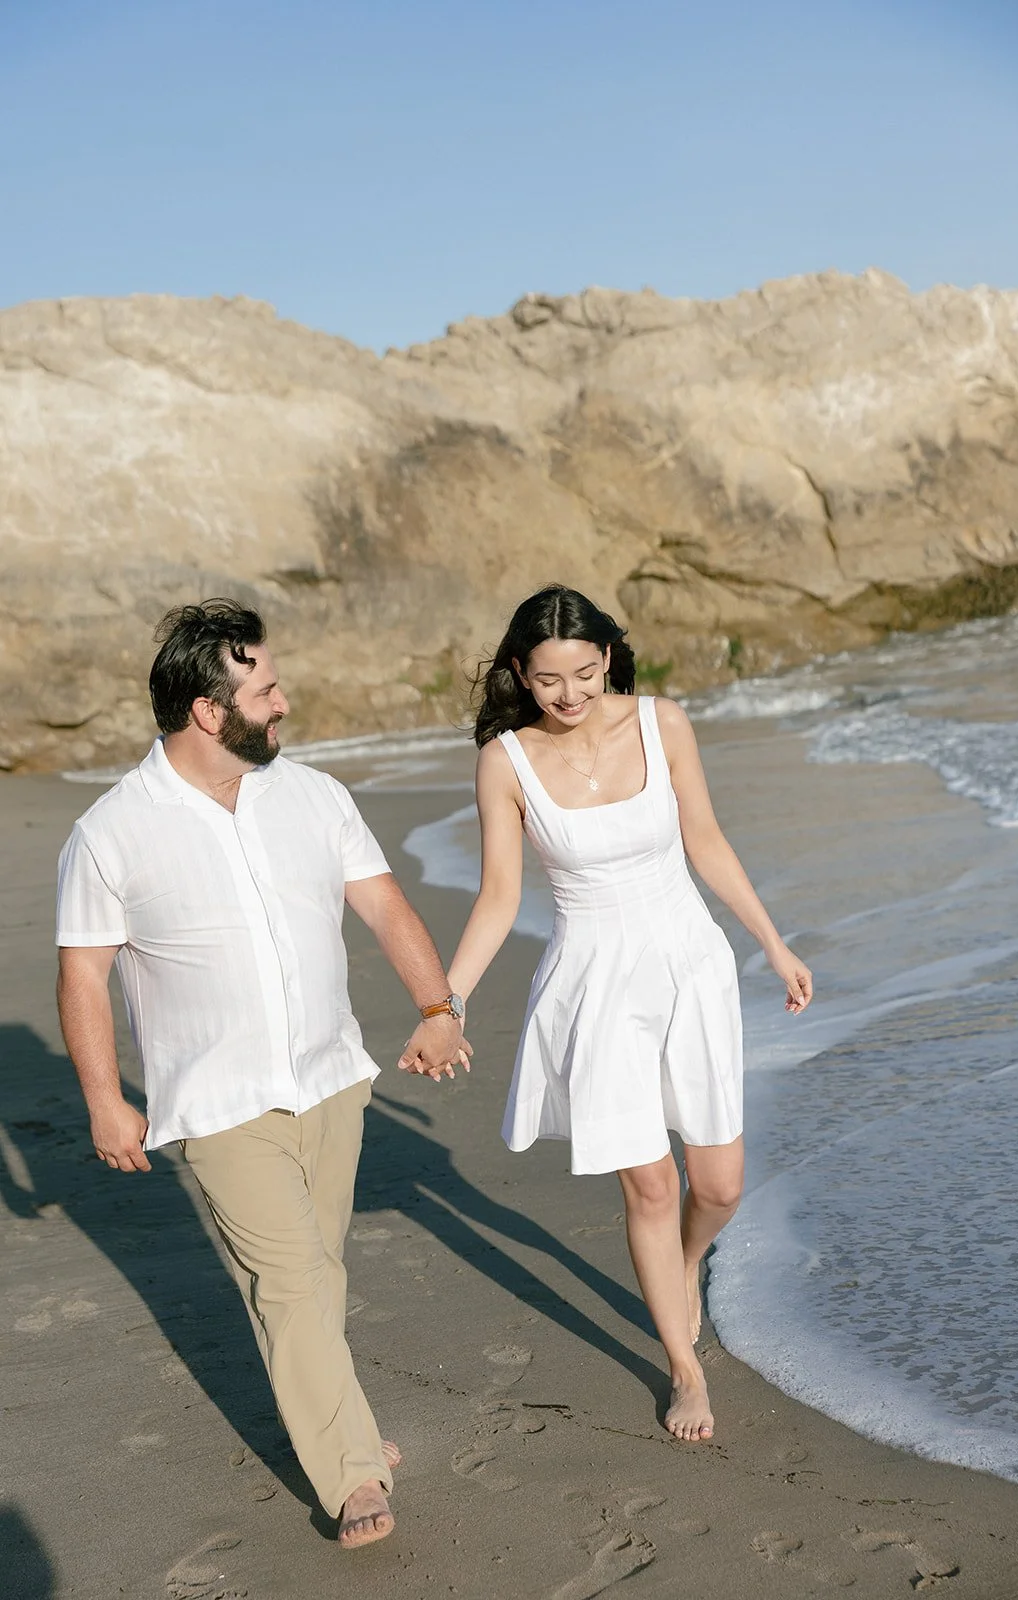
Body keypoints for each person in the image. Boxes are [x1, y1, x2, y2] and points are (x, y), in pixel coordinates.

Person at [55, 599, 469, 1549]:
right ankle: (352, 1471)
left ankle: (336, 1415)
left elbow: (382, 902)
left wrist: (438, 1010)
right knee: (286, 1284)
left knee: (318, 1273)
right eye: (266, 689)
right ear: (209, 709)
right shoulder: (111, 831)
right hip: (218, 1104)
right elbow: (83, 972)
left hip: (331, 1079)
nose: (284, 702)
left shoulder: (314, 796)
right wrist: (104, 1101)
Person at [447, 585, 812, 1443]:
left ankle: (685, 1262)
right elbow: (500, 897)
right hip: (592, 982)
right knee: (650, 1185)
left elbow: (706, 840)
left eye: (582, 672)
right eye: (546, 681)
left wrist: (772, 940)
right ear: (518, 675)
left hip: (688, 965)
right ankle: (682, 1366)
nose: (568, 695)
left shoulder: (663, 723)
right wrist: (446, 999)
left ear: (607, 657)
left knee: (717, 1186)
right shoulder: (506, 761)